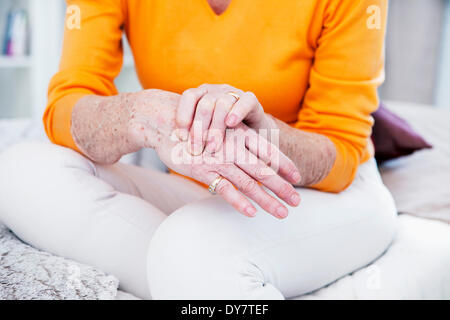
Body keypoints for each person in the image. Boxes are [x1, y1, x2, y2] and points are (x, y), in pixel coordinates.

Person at [0, 0, 396, 299]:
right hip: (202, 188)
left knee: (189, 246)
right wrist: (140, 115)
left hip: (324, 193)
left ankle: (198, 270)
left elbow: (340, 150)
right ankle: (201, 276)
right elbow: (68, 104)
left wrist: (258, 135)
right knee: (19, 170)